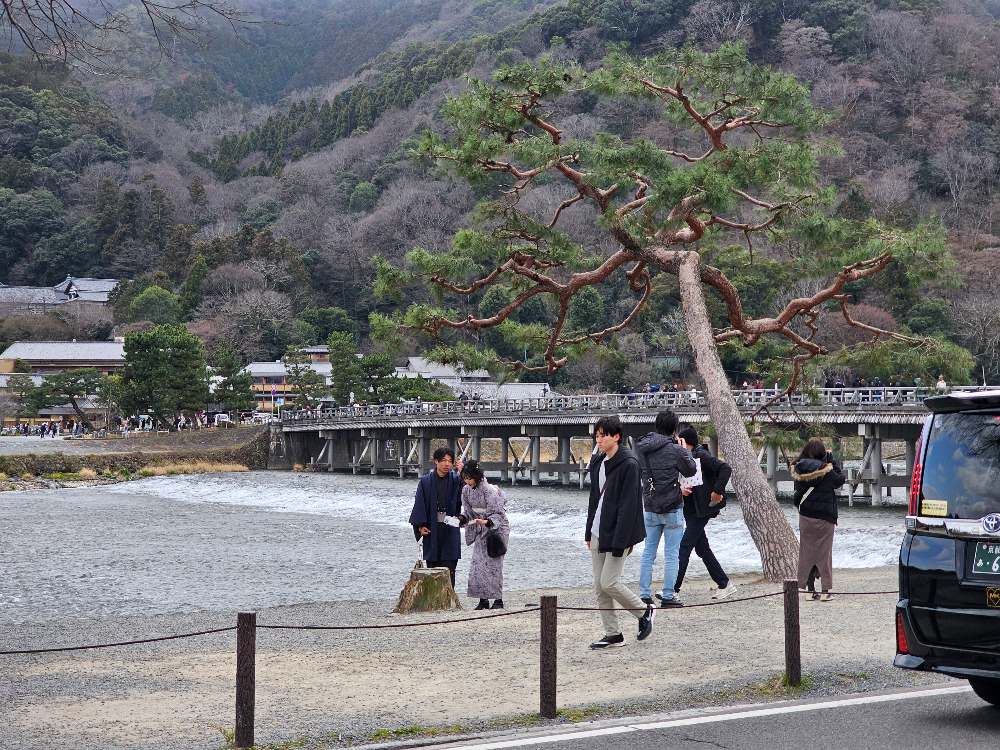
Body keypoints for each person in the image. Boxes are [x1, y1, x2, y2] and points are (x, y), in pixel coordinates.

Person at [585, 415, 654, 649]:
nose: (599, 440)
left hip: (618, 534)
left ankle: (644, 611)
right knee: (599, 585)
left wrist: (621, 541)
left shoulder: (629, 464)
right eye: (596, 436)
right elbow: (594, 499)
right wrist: (588, 533)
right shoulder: (598, 462)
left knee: (609, 582)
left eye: (603, 435)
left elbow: (629, 506)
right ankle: (613, 634)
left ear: (616, 436)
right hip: (597, 531)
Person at [635, 410, 697, 608]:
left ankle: (644, 594)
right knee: (672, 553)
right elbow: (691, 470)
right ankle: (668, 595)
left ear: (656, 426)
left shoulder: (642, 448)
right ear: (674, 429)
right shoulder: (676, 450)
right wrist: (684, 450)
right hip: (672, 507)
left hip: (651, 505)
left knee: (648, 551)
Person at [674, 427, 737, 601]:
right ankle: (724, 584)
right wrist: (681, 489)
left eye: (680, 441)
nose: (677, 444)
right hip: (691, 509)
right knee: (702, 549)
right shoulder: (683, 457)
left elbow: (725, 468)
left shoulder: (701, 455)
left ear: (687, 442)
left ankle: (673, 588)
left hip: (701, 510)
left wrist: (717, 491)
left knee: (684, 546)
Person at [791, 439, 845, 602]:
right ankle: (825, 590)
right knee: (823, 553)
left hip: (806, 515)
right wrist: (832, 462)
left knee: (807, 552)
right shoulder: (826, 470)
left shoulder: (799, 468)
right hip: (825, 516)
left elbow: (797, 492)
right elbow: (839, 480)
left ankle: (809, 590)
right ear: (822, 453)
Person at [409, 447, 464, 587]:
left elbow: (471, 489)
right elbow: (419, 504)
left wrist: (463, 472)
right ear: (436, 461)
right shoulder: (426, 481)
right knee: (432, 566)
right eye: (444, 460)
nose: (447, 464)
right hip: (432, 528)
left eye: (450, 461)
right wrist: (420, 526)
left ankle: (449, 597)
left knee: (449, 566)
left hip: (450, 526)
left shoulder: (456, 480)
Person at [458, 460, 509, 610]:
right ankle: (483, 600)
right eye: (465, 478)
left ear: (477, 476)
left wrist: (485, 521)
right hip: (481, 527)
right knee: (478, 565)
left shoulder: (488, 490)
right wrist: (460, 518)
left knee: (494, 564)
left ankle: (498, 600)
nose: (467, 481)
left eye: (470, 477)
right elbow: (467, 512)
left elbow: (498, 513)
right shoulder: (466, 490)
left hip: (496, 528)